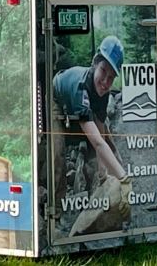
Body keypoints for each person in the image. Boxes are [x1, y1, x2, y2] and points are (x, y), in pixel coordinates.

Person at [51, 35, 131, 235]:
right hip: (57, 100)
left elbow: (103, 139)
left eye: (111, 77)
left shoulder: (102, 95)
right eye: (103, 71)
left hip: (81, 108)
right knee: (57, 155)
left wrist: (106, 176)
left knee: (107, 143)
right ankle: (56, 215)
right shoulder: (81, 89)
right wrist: (124, 179)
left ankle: (102, 194)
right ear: (95, 63)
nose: (105, 82)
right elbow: (96, 142)